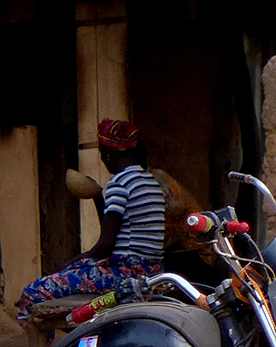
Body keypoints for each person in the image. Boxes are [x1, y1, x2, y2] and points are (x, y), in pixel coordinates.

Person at [17, 118, 166, 320]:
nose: (103, 160)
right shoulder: (150, 182)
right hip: (152, 271)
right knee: (75, 270)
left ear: (108, 153)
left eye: (102, 154)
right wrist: (98, 198)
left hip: (125, 274)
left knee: (33, 292)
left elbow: (106, 245)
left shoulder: (120, 183)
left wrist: (78, 259)